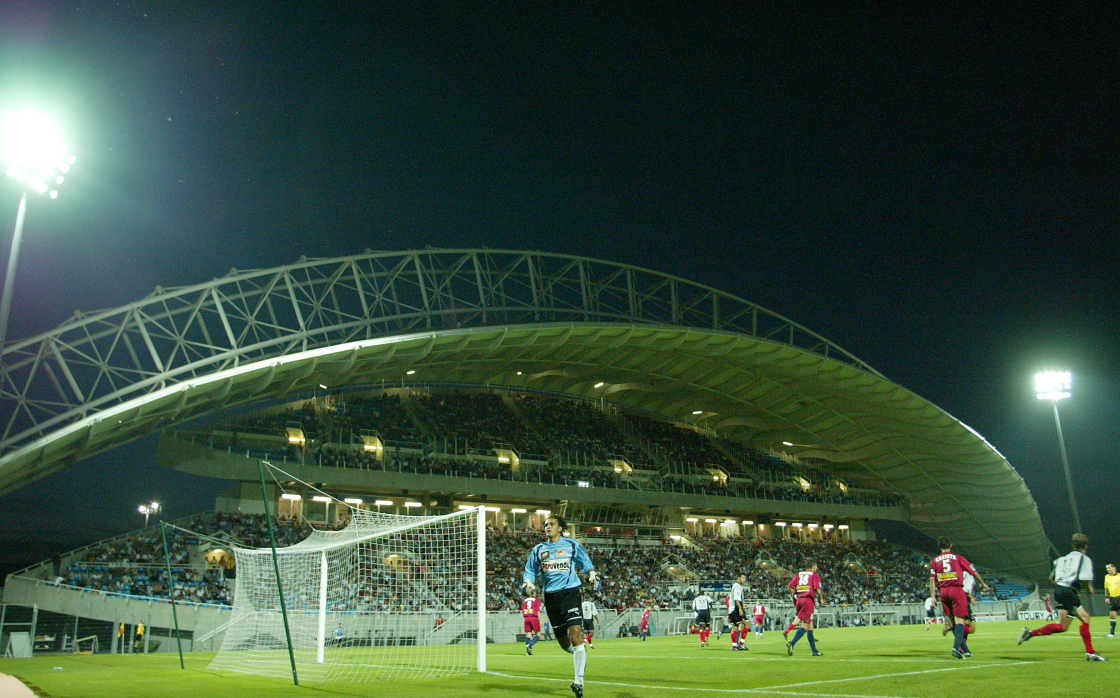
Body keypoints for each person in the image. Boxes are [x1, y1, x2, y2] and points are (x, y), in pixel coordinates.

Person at [523, 514, 598, 698]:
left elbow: (584, 561)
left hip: (570, 593)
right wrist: (528, 582)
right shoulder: (539, 549)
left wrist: (591, 573)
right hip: (551, 597)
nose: (547, 527)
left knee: (575, 635)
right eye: (546, 525)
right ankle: (579, 651)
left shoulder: (572, 544)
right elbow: (530, 569)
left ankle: (579, 681)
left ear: (561, 528)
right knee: (565, 643)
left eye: (552, 524)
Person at [1018, 533, 1106, 661]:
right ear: (1087, 546)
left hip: (1060, 591)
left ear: (1073, 545)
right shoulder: (1084, 559)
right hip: (1068, 592)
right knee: (1085, 618)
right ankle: (1091, 653)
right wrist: (1089, 589)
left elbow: (1051, 578)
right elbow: (1084, 579)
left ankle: (1029, 633)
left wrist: (1062, 588)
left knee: (1062, 626)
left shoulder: (1061, 559)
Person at [930, 536, 986, 659]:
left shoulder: (935, 561)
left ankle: (965, 649)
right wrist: (983, 583)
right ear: (951, 545)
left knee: (953, 623)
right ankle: (956, 648)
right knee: (960, 621)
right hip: (956, 589)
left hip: (943, 591)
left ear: (939, 546)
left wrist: (933, 597)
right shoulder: (958, 558)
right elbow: (973, 572)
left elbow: (932, 580)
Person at [786, 560, 825, 657]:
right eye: (816, 566)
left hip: (799, 601)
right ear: (813, 566)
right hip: (808, 601)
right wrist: (822, 599)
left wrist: (793, 598)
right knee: (805, 626)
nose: (817, 568)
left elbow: (790, 586)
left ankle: (814, 651)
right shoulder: (814, 575)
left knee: (810, 627)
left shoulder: (799, 574)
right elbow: (817, 588)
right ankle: (792, 643)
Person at [729, 573, 748, 651]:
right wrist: (740, 609)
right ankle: (740, 644)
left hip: (735, 608)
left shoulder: (738, 586)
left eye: (745, 578)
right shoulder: (737, 586)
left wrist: (743, 606)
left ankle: (736, 646)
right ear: (738, 578)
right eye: (743, 577)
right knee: (744, 625)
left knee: (737, 628)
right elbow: (737, 599)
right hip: (735, 609)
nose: (744, 579)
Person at [1104, 563, 1119, 638]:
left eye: (1109, 568)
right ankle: (1112, 633)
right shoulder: (1107, 577)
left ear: (1114, 568)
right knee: (1112, 616)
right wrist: (1106, 597)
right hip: (1112, 598)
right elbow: (1106, 588)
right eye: (1107, 568)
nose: (1108, 569)